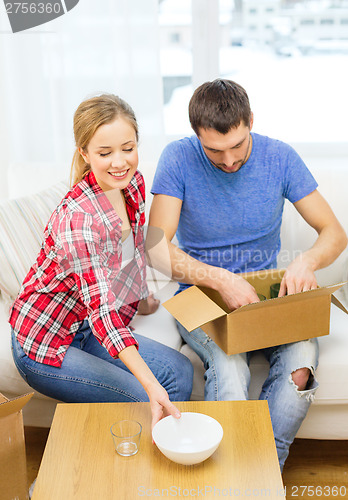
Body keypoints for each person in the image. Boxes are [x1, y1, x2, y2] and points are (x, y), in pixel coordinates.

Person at [148, 79, 347, 468]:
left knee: (302, 362)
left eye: (237, 146)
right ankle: (232, 477)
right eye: (214, 151)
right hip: (202, 297)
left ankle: (261, 474)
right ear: (196, 136)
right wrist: (221, 278)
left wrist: (306, 262)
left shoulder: (280, 157)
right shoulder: (177, 158)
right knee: (228, 367)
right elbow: (155, 247)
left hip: (270, 296)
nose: (228, 161)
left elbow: (335, 233)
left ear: (250, 121)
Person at [9, 93, 193, 428]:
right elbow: (103, 313)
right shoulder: (79, 220)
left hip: (88, 326)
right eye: (105, 153)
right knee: (144, 399)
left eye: (128, 147)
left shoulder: (132, 184)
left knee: (179, 371)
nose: (120, 162)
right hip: (47, 341)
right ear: (84, 153)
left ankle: (158, 460)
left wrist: (138, 301)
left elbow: (133, 251)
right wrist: (149, 385)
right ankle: (123, 474)